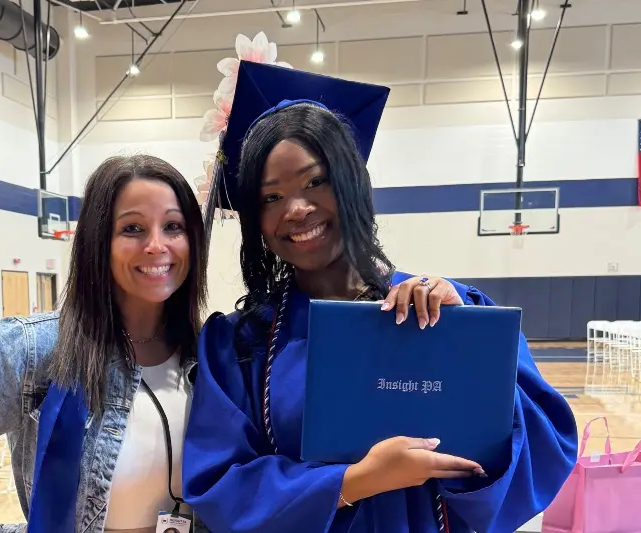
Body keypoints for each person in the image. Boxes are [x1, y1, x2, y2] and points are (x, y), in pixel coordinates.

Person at [182, 62, 579, 533]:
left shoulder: (448, 311)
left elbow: (542, 447)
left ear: (353, 182)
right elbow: (220, 483)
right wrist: (354, 481)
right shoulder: (238, 345)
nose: (296, 209)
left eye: (316, 181)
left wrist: (464, 350)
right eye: (271, 198)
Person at [0, 154, 209, 533]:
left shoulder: (208, 356)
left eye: (173, 226)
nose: (157, 245)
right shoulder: (34, 351)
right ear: (98, 241)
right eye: (133, 228)